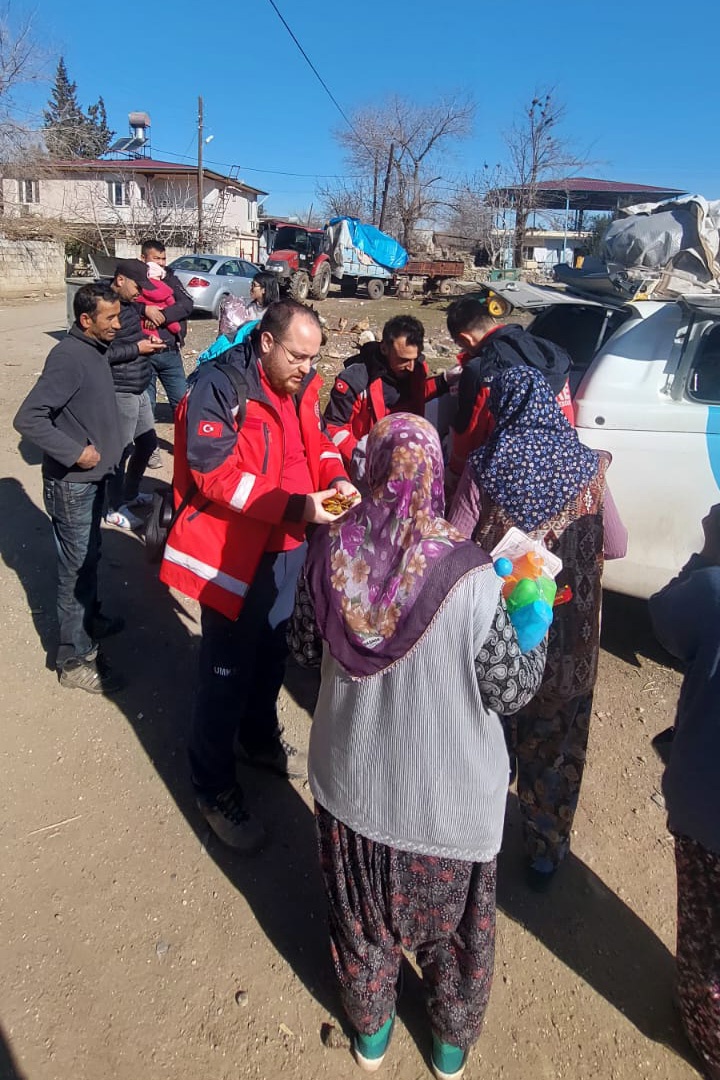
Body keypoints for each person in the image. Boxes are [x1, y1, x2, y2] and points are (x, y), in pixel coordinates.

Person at [301, 413, 546, 1078]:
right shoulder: (475, 576)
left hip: (352, 794)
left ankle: (372, 1039)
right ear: (439, 474)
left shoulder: (327, 552)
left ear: (372, 468)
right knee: (458, 947)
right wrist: (534, 612)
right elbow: (514, 689)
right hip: (448, 813)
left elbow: (300, 648)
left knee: (361, 932)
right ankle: (446, 1052)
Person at [159, 299, 357, 852]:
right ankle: (213, 784)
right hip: (235, 555)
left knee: (271, 653)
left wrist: (335, 478)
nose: (307, 368)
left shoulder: (301, 387)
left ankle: (258, 738)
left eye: (313, 358)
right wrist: (298, 507)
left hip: (287, 549)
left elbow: (314, 447)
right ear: (267, 343)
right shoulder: (220, 387)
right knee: (225, 671)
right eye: (298, 356)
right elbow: (214, 474)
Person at [449, 366, 627, 888]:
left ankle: (479, 833)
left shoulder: (486, 466)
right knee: (554, 752)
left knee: (489, 738)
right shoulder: (591, 467)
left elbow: (458, 546)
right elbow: (616, 546)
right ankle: (545, 852)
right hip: (570, 646)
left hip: (500, 645)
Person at [13, 284, 125, 693]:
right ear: (85, 320)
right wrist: (76, 452)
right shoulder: (68, 357)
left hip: (93, 483)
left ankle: (89, 619)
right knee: (74, 569)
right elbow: (29, 418)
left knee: (90, 557)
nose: (118, 323)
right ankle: (72, 658)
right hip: (72, 485)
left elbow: (114, 355)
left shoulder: (93, 349)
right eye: (110, 318)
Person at [648, 505, 720, 1080]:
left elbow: (664, 618)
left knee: (703, 933)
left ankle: (708, 1038)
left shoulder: (713, 591)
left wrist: (706, 556)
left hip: (706, 803)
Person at [444, 295, 575, 489]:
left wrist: (455, 473)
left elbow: (470, 429)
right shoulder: (546, 350)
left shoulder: (482, 368)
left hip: (508, 474)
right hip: (560, 462)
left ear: (465, 338)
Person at [323, 315, 459, 483]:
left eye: (414, 359)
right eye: (403, 360)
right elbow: (333, 426)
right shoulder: (356, 380)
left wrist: (443, 381)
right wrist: (364, 459)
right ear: (384, 348)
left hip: (407, 462)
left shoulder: (417, 369)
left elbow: (417, 395)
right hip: (367, 467)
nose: (410, 367)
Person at [105, 259, 166, 530]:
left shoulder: (127, 304)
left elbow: (131, 334)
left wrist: (148, 344)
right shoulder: (102, 309)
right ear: (120, 280)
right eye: (137, 286)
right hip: (121, 389)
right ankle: (113, 507)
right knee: (121, 450)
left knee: (147, 443)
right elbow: (101, 354)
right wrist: (137, 349)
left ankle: (129, 494)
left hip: (138, 385)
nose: (140, 292)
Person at [139, 239, 192, 423]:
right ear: (143, 258)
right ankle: (146, 448)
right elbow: (127, 305)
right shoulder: (135, 280)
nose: (161, 263)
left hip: (170, 352)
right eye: (156, 258)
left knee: (182, 402)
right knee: (147, 406)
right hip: (144, 353)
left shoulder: (171, 278)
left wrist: (162, 315)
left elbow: (186, 304)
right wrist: (145, 311)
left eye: (163, 258)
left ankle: (187, 447)